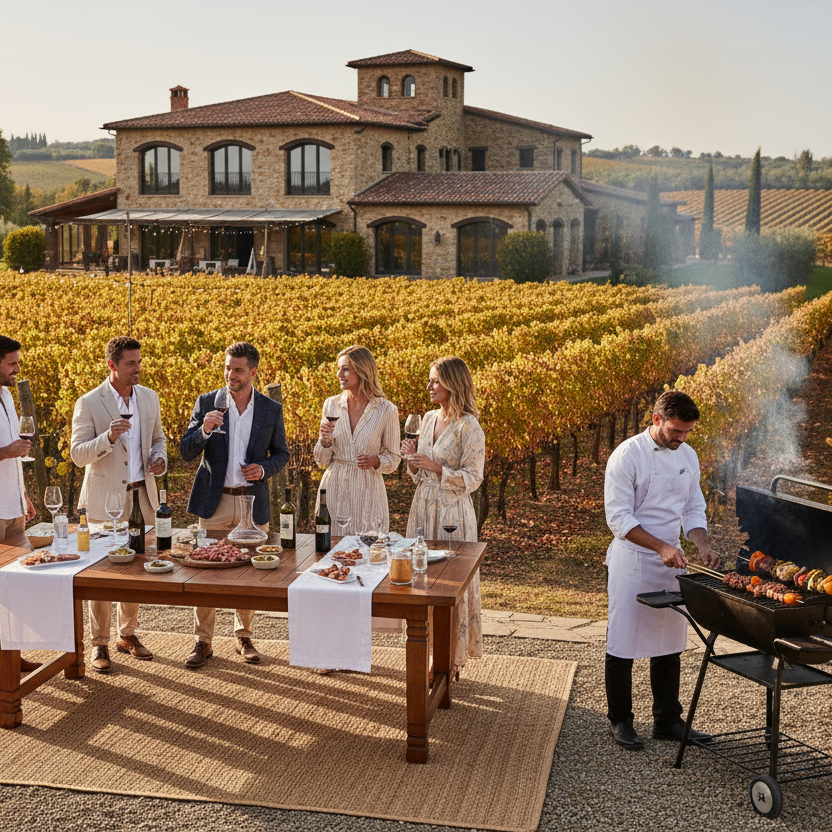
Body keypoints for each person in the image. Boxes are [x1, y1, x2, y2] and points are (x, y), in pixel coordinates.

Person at [603, 389, 720, 750]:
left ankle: (667, 719)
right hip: (633, 559)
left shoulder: (687, 455)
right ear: (656, 420)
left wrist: (700, 543)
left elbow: (693, 506)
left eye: (686, 433)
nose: (681, 439)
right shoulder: (627, 456)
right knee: (622, 640)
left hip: (673, 560)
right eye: (676, 431)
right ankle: (620, 720)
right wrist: (660, 546)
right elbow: (618, 518)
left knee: (670, 641)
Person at [180, 342, 289, 669]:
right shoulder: (207, 402)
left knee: (249, 573)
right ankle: (203, 641)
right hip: (214, 503)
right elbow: (185, 451)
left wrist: (264, 469)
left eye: (238, 369)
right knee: (204, 573)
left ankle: (244, 636)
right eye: (228, 368)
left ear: (253, 372)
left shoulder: (270, 409)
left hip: (251, 504)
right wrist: (204, 430)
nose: (231, 374)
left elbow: (281, 453)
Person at [70, 336, 167, 673]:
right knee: (101, 574)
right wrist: (108, 438)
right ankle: (98, 644)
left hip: (144, 495)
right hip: (105, 502)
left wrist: (160, 458)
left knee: (137, 570)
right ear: (112, 365)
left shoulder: (149, 398)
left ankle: (127, 635)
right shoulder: (89, 403)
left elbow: (158, 439)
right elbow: (78, 455)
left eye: (139, 362)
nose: (138, 369)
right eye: (131, 364)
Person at [401, 356, 485, 678]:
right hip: (423, 507)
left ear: (452, 383)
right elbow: (417, 474)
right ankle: (426, 649)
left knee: (450, 583)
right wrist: (411, 461)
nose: (429, 386)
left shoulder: (469, 426)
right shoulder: (426, 418)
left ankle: (450, 657)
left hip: (452, 511)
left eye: (435, 380)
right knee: (421, 579)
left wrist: (436, 467)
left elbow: (474, 478)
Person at [314, 345, 401, 536]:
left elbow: (394, 458)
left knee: (369, 548)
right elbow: (321, 461)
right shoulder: (331, 404)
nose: (339, 374)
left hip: (367, 489)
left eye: (345, 369)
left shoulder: (386, 410)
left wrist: (376, 461)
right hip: (335, 486)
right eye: (338, 368)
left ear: (362, 370)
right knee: (333, 550)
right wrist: (325, 442)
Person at [0, 336, 40, 674]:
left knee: (15, 584)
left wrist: (23, 495)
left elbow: (15, 454)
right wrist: (6, 452)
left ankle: (13, 652)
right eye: (11, 363)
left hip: (12, 507)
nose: (17, 369)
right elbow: (9, 451)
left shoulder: (7, 396)